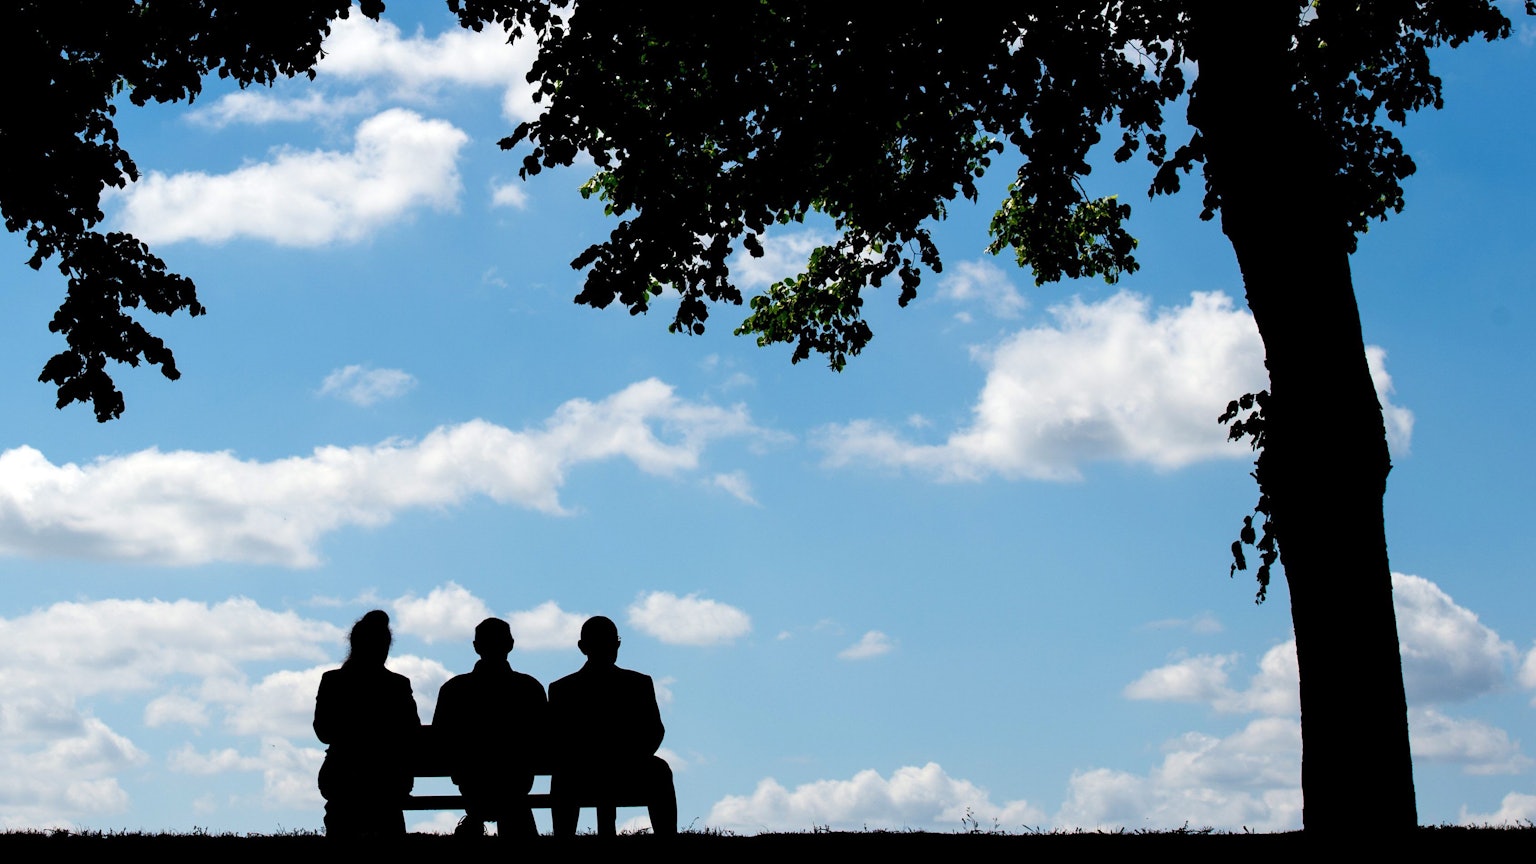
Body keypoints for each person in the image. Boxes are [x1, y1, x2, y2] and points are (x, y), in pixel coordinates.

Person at [549, 615, 677, 837]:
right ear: (617, 644)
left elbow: (556, 737)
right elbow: (654, 731)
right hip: (628, 768)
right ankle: (667, 839)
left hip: (580, 771)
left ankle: (563, 841)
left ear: (582, 647)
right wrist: (632, 756)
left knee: (563, 775)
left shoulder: (562, 689)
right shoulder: (639, 684)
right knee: (660, 771)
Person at [432, 617, 548, 838]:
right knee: (514, 794)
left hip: (472, 780)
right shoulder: (529, 688)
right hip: (516, 780)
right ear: (511, 645)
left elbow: (440, 740)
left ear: (476, 647)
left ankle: (473, 822)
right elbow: (544, 738)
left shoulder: (454, 690)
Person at [313, 609, 421, 838]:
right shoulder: (398, 685)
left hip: (342, 776)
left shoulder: (332, 681)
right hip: (388, 779)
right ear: (386, 647)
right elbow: (413, 733)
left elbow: (323, 731)